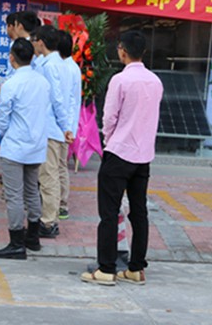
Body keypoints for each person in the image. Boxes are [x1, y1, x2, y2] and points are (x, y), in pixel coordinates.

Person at [81, 30, 163, 286]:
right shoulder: (155, 81)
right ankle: (136, 268)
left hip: (119, 152)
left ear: (122, 51)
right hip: (143, 156)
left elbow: (109, 118)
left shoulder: (120, 80)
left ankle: (106, 269)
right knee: (139, 212)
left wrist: (109, 140)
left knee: (109, 212)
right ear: (143, 52)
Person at [0, 39, 50, 260]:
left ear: (12, 58)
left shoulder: (11, 84)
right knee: (32, 190)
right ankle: (33, 237)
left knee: (14, 195)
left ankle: (16, 243)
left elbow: (3, 118)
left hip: (15, 146)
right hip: (36, 145)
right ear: (32, 57)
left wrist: (4, 134)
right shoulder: (43, 82)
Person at [30, 24, 74, 239]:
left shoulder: (49, 66)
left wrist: (65, 126)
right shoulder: (61, 64)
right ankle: (50, 219)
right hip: (55, 128)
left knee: (48, 177)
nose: (33, 44)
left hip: (50, 127)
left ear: (41, 42)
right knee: (52, 175)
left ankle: (48, 222)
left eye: (35, 40)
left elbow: (56, 98)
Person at [57, 29, 82, 221]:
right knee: (60, 166)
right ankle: (60, 203)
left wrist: (69, 128)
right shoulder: (73, 67)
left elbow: (71, 102)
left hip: (61, 126)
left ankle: (62, 203)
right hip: (65, 125)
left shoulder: (65, 68)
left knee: (59, 166)